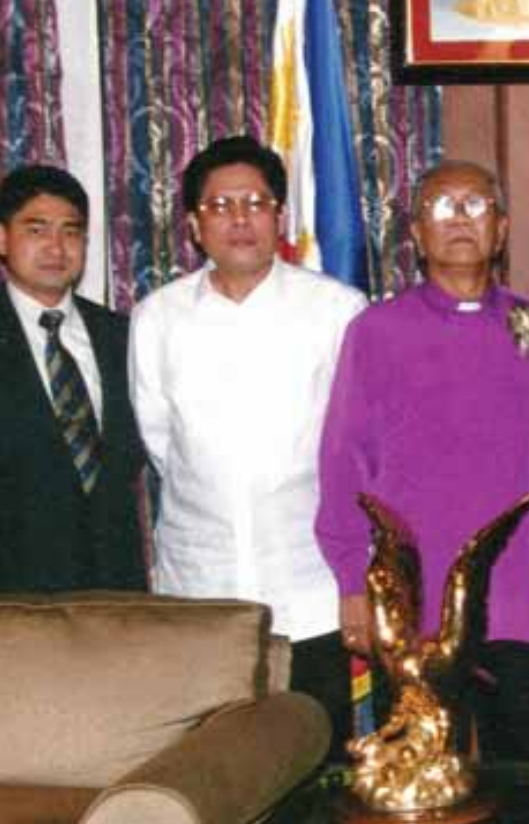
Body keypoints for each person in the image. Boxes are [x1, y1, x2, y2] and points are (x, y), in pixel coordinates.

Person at [316, 160, 529, 761]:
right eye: (441, 207)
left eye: (476, 206)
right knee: (423, 778)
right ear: (417, 234)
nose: (460, 219)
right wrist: (353, 585)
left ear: (501, 230)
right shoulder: (375, 331)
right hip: (419, 603)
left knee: (528, 780)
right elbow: (343, 462)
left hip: (523, 599)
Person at [130, 135, 367, 754]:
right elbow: (160, 440)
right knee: (212, 769)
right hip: (200, 586)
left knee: (313, 762)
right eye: (220, 205)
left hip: (311, 588)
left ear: (280, 217)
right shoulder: (158, 318)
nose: (240, 219)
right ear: (193, 224)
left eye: (256, 203)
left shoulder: (338, 311)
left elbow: (358, 448)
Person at [0, 164, 149, 596]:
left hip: (117, 602)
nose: (57, 246)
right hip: (6, 606)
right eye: (37, 230)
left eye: (71, 232)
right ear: (0, 237)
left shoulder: (122, 337)